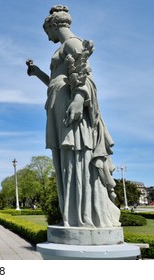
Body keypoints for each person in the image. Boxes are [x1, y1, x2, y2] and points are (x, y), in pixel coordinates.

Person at [27, 5, 120, 228]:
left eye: (46, 31)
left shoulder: (71, 43)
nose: (47, 36)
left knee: (77, 157)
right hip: (60, 108)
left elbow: (86, 73)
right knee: (66, 160)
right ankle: (74, 213)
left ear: (53, 25)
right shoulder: (62, 48)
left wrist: (79, 98)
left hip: (71, 110)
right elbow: (56, 80)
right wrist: (37, 72)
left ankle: (86, 214)